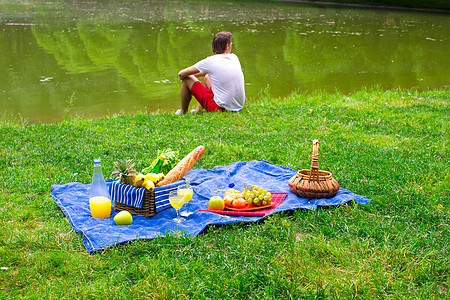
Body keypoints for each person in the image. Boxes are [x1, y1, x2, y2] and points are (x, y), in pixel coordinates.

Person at [176, 31, 245, 114]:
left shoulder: (210, 61)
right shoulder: (234, 57)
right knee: (207, 77)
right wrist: (193, 75)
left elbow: (181, 74)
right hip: (238, 106)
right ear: (227, 46)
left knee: (186, 78)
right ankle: (198, 111)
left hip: (219, 109)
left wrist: (186, 78)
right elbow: (208, 72)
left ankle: (183, 112)